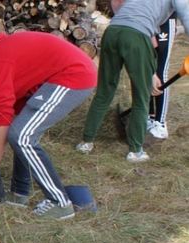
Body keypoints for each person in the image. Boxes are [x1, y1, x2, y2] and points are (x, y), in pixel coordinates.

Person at [0, 32, 97, 220]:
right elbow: (9, 119)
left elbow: (4, 125)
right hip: (56, 77)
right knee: (20, 131)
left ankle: (59, 203)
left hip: (73, 74)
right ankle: (19, 194)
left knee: (22, 136)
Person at [76, 0, 189, 162]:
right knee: (141, 97)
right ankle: (136, 151)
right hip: (136, 36)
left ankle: (85, 142)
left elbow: (138, 21)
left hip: (112, 32)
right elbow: (186, 15)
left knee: (104, 90)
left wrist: (150, 74)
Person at [148, 12, 177, 140]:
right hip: (148, 18)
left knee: (161, 70)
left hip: (165, 20)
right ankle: (149, 116)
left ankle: (160, 124)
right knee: (146, 70)